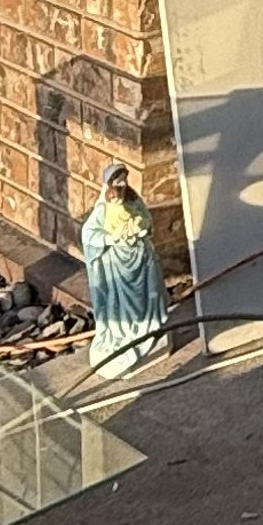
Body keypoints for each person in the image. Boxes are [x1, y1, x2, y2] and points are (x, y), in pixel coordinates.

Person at [82, 162, 169, 381]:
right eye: (116, 182)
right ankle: (123, 334)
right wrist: (110, 238)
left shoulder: (133, 200)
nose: (120, 187)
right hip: (119, 265)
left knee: (151, 294)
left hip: (141, 258)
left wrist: (141, 227)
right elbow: (89, 233)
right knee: (120, 304)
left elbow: (147, 220)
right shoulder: (102, 209)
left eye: (123, 181)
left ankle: (150, 328)